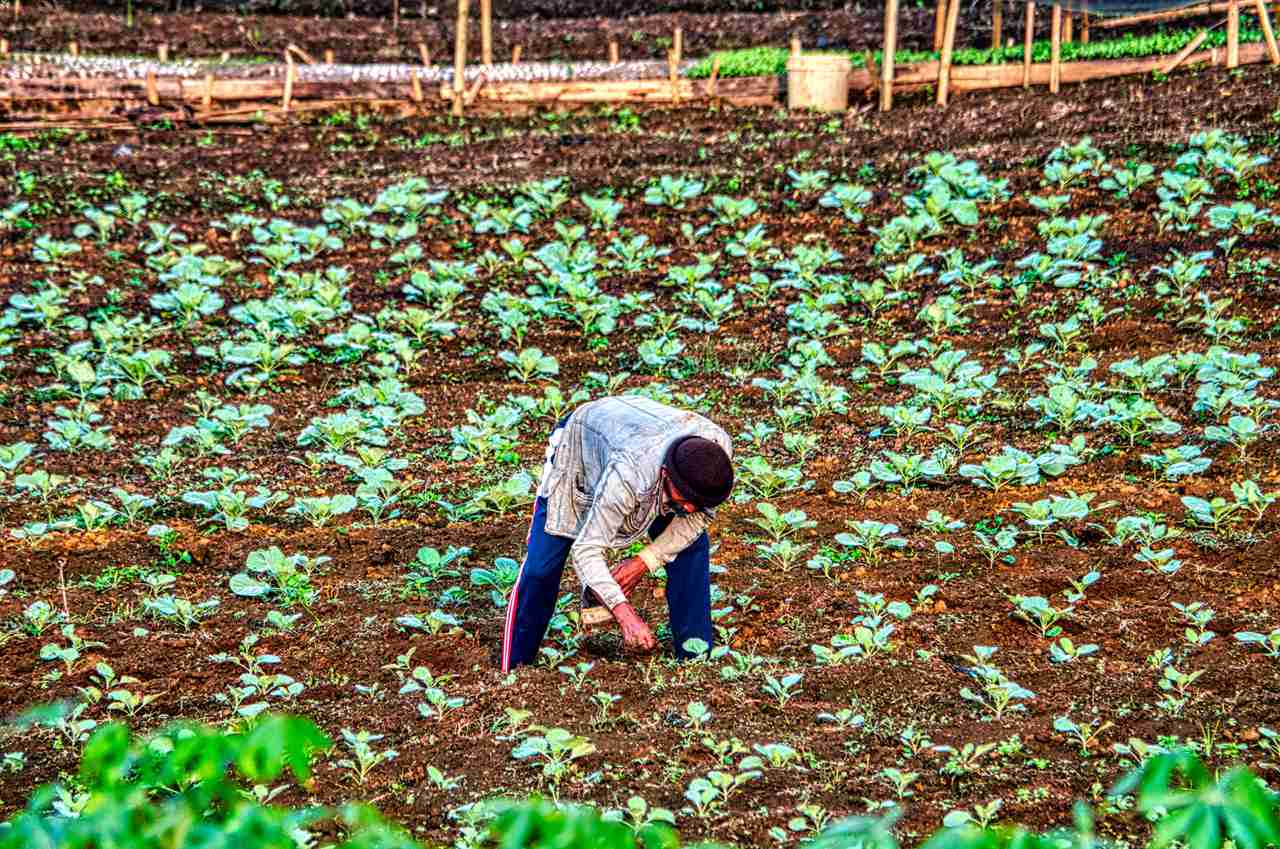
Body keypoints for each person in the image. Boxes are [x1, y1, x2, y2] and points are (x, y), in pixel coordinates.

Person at [500, 395, 735, 673]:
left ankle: (695, 659)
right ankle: (516, 667)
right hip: (581, 444)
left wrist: (644, 562)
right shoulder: (628, 475)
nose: (688, 509)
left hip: (640, 432)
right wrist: (625, 614)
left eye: (697, 503)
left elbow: (697, 518)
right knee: (542, 566)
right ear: (665, 475)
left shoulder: (716, 457)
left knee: (690, 547)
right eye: (681, 499)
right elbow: (587, 549)